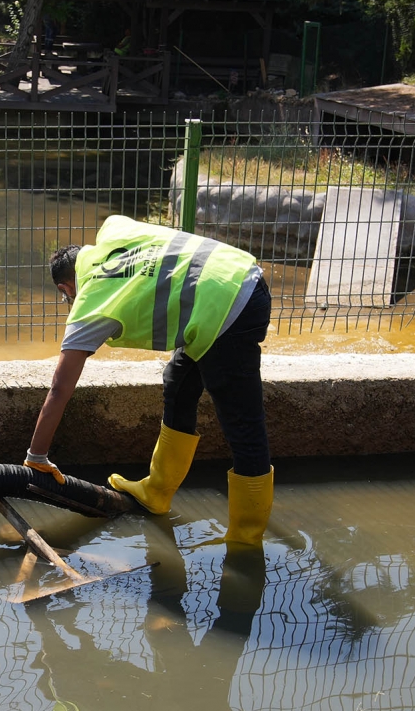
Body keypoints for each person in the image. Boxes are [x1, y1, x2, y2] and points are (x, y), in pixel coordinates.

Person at [23, 214, 274, 548]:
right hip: (233, 276)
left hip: (230, 308)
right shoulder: (114, 228)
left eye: (67, 297)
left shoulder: (90, 302)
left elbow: (59, 388)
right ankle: (157, 491)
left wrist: (36, 458)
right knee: (178, 380)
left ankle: (246, 542)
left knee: (243, 426)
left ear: (65, 289)